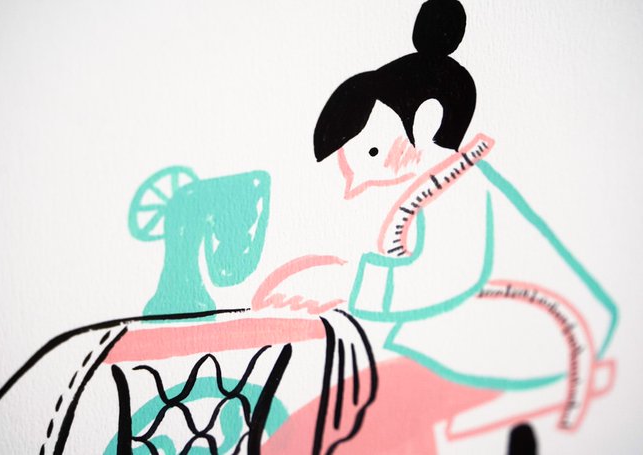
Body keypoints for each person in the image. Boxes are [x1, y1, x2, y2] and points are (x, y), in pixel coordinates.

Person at [254, 0, 618, 453]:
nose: (355, 182)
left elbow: (446, 279)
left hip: (547, 327)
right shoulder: (432, 189)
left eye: (371, 154)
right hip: (492, 321)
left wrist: (347, 285)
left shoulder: (463, 187)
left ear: (426, 123)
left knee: (377, 396)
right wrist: (336, 278)